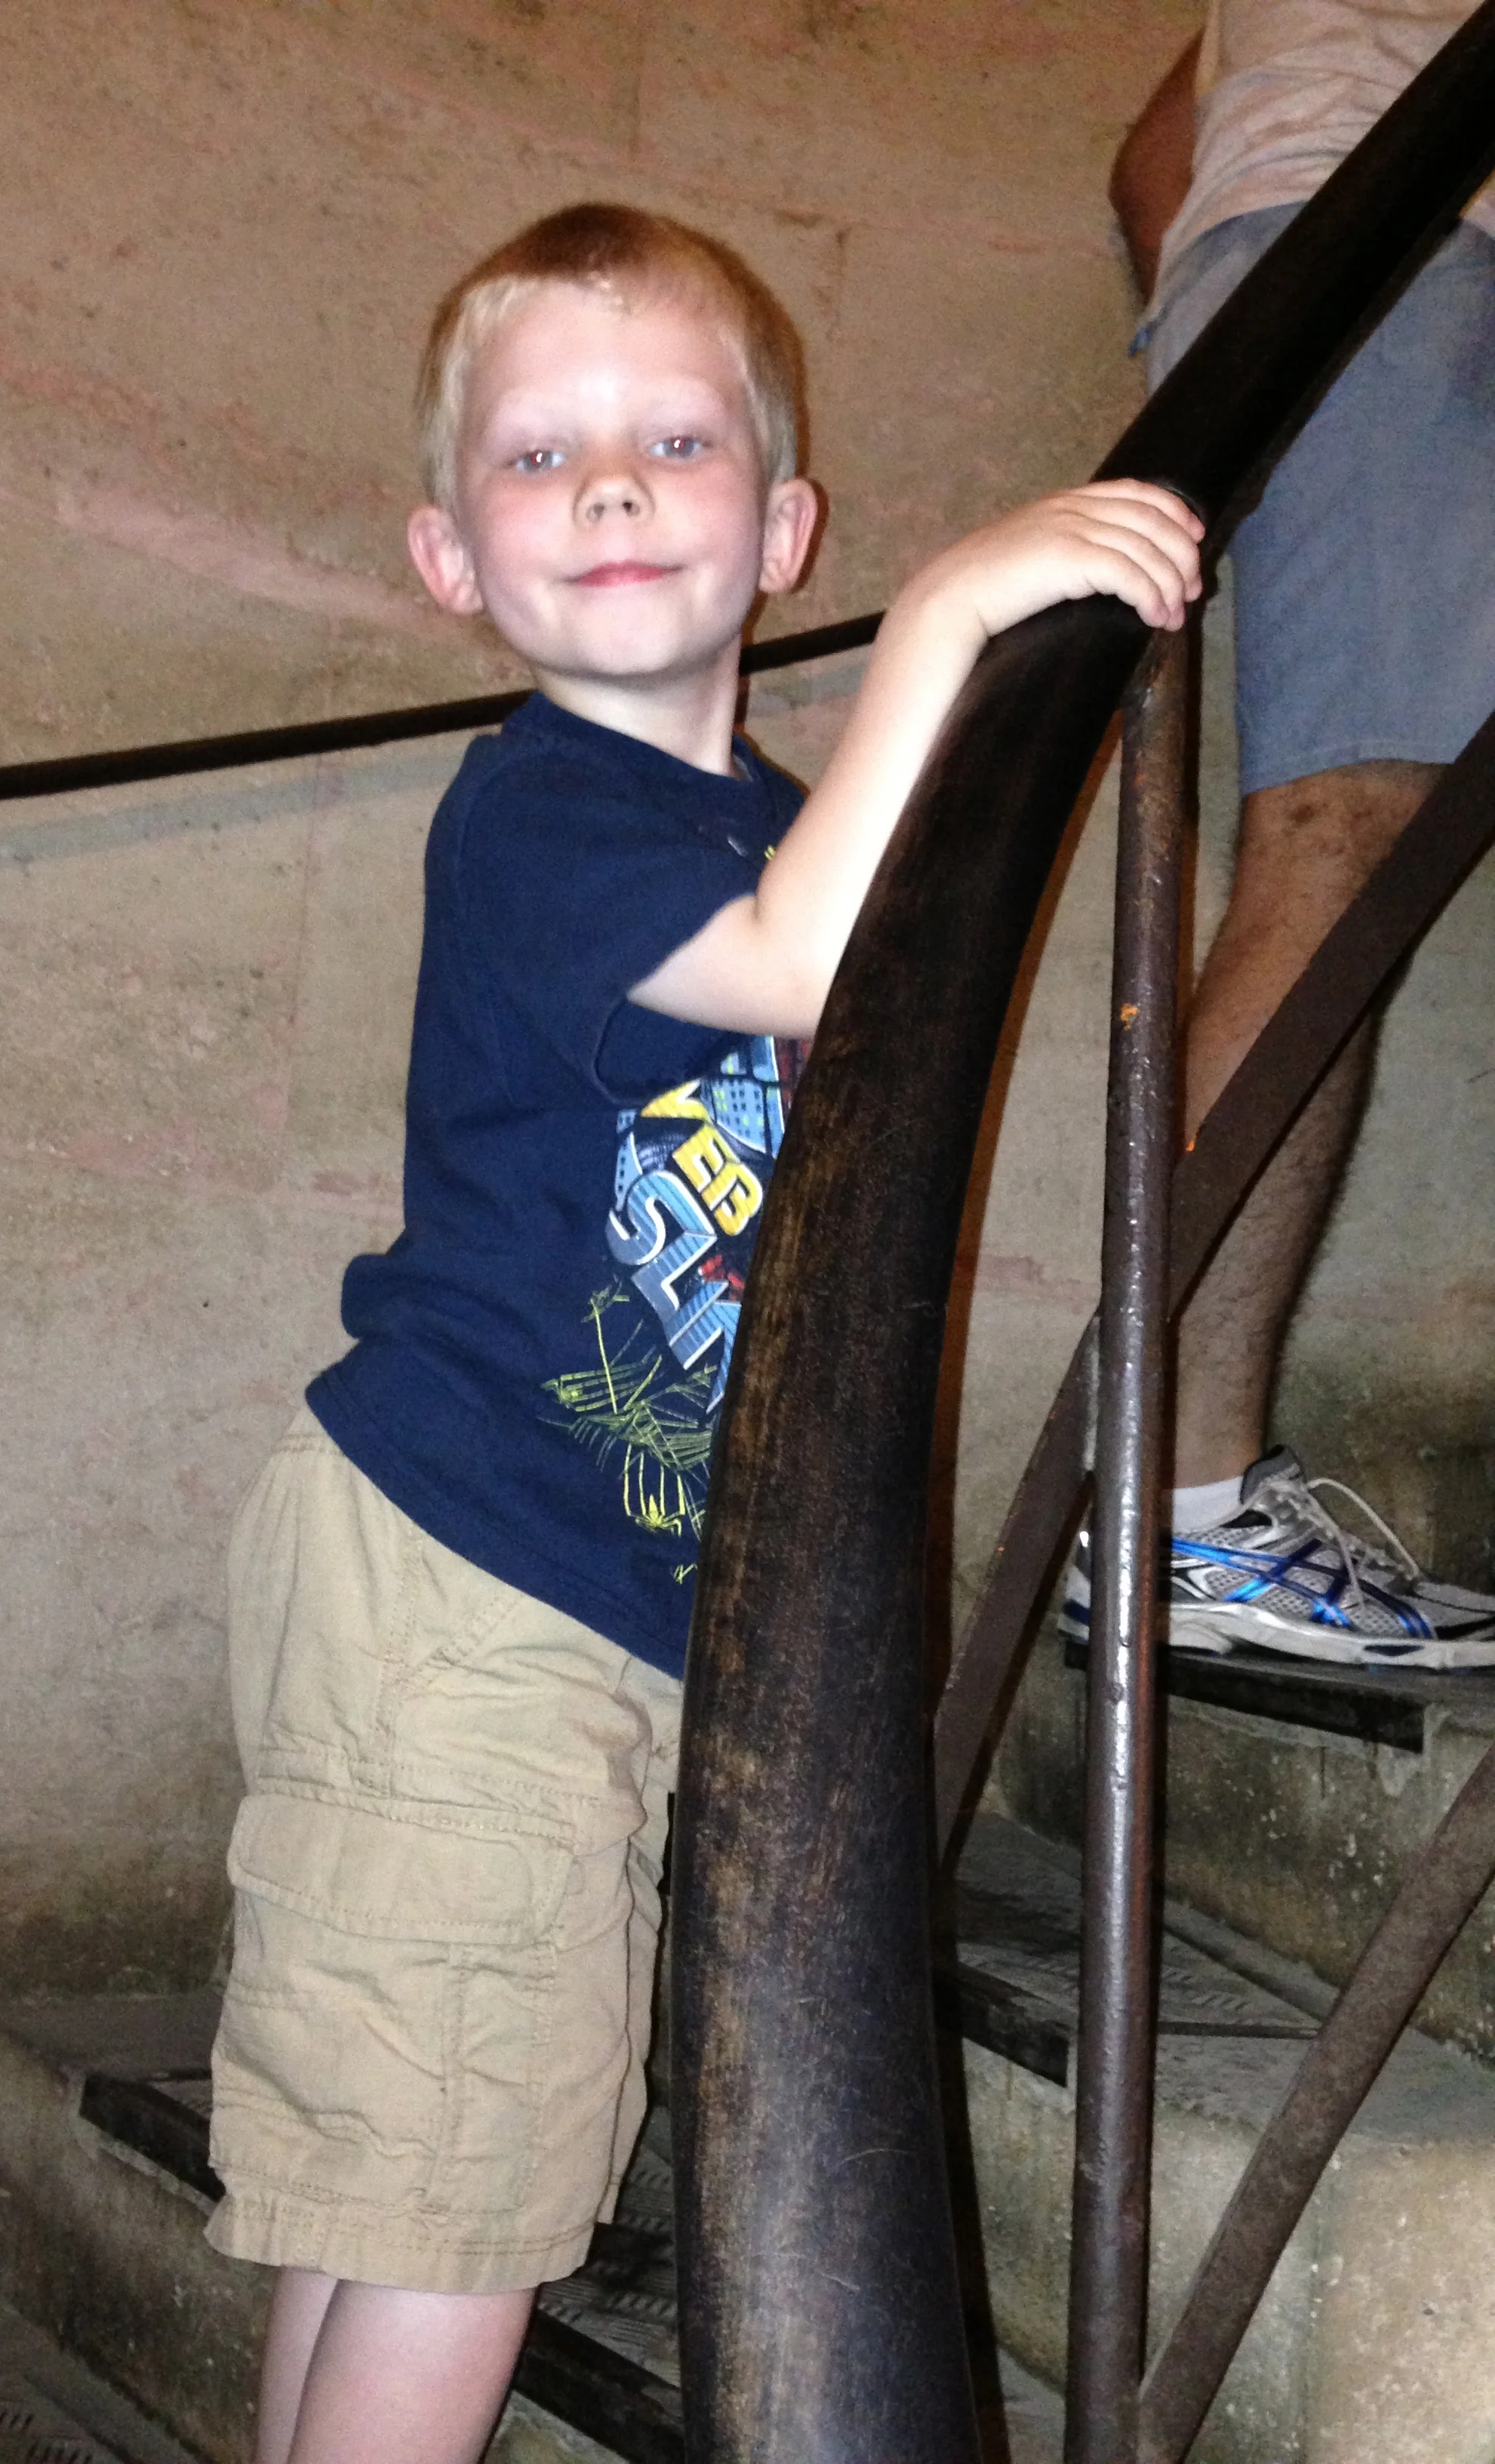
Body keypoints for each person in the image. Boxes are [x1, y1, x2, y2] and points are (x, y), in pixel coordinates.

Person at [207, 202, 1201, 2464]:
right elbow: (801, 970)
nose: (617, 489)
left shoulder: (760, 816)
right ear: (451, 559)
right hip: (472, 1581)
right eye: (541, 460)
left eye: (671, 438)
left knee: (410, 2195)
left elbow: (822, 924)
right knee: (463, 2226)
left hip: (554, 1589)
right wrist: (956, 608)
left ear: (780, 519)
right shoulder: (547, 805)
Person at [1075, 1, 1495, 1668]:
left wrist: (1213, 313)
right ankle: (1182, 1518)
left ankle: (1176, 1508)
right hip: (1396, 254)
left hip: (1297, 261)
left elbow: (1145, 173)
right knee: (1342, 835)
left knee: (1342, 833)